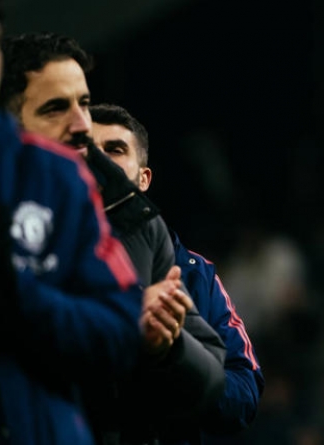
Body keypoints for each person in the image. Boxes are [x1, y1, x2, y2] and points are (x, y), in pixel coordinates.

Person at [0, 32, 226, 444]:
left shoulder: (136, 221)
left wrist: (164, 344)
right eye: (55, 108)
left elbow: (215, 381)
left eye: (84, 103)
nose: (81, 126)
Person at [90, 102, 265, 442]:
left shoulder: (195, 273)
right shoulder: (47, 259)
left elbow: (244, 392)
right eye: (90, 151)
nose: (99, 161)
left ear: (144, 178)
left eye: (115, 149)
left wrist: (172, 355)